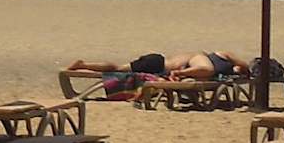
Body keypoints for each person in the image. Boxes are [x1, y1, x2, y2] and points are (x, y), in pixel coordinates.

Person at [68, 50, 252, 82]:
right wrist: (180, 74)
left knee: (118, 69)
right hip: (158, 64)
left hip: (158, 62)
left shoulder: (206, 59)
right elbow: (207, 70)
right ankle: (83, 64)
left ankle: (84, 65)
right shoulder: (209, 57)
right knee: (117, 69)